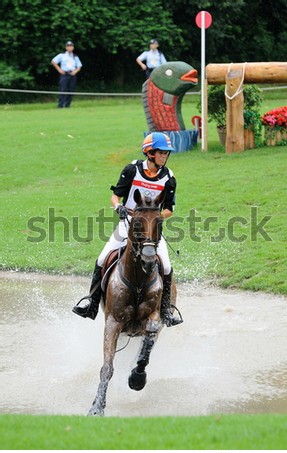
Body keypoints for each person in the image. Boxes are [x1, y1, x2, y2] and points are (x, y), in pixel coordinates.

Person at [72, 132, 183, 328]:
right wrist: (118, 207)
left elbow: (169, 210)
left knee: (165, 265)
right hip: (127, 222)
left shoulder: (169, 178)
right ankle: (91, 303)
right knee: (102, 258)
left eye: (166, 153)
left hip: (150, 228)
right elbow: (115, 197)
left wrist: (152, 218)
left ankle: (166, 311)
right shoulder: (132, 170)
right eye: (162, 153)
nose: (165, 156)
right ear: (150, 153)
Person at [51, 41, 82, 108]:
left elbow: (79, 66)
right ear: (66, 47)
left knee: (71, 90)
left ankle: (68, 105)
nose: (69, 47)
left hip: (72, 75)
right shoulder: (62, 55)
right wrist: (59, 69)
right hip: (64, 74)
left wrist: (75, 71)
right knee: (63, 89)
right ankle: (60, 105)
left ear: (73, 47)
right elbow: (53, 61)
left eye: (71, 46)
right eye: (68, 46)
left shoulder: (75, 56)